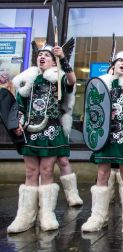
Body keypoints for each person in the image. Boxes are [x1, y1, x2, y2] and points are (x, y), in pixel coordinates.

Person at [8, 42, 76, 233]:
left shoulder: (58, 79)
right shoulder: (28, 80)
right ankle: (25, 217)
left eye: (47, 55)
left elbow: (71, 81)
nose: (42, 57)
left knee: (46, 171)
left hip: (51, 132)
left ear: (54, 61)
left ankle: (47, 214)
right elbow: (19, 106)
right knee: (30, 172)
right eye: (40, 55)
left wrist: (63, 58)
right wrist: (17, 123)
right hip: (29, 132)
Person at [82, 48, 123, 233]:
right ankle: (98, 217)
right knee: (102, 174)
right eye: (119, 61)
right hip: (105, 136)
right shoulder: (102, 84)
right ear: (113, 65)